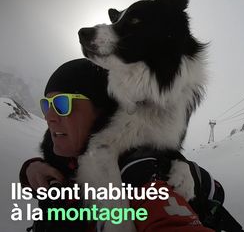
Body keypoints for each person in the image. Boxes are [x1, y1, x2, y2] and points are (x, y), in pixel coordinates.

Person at [19, 58, 214, 232]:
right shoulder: (62, 166)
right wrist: (32, 170)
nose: (49, 117)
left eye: (62, 104)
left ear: (101, 112)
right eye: (46, 105)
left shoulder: (137, 175)